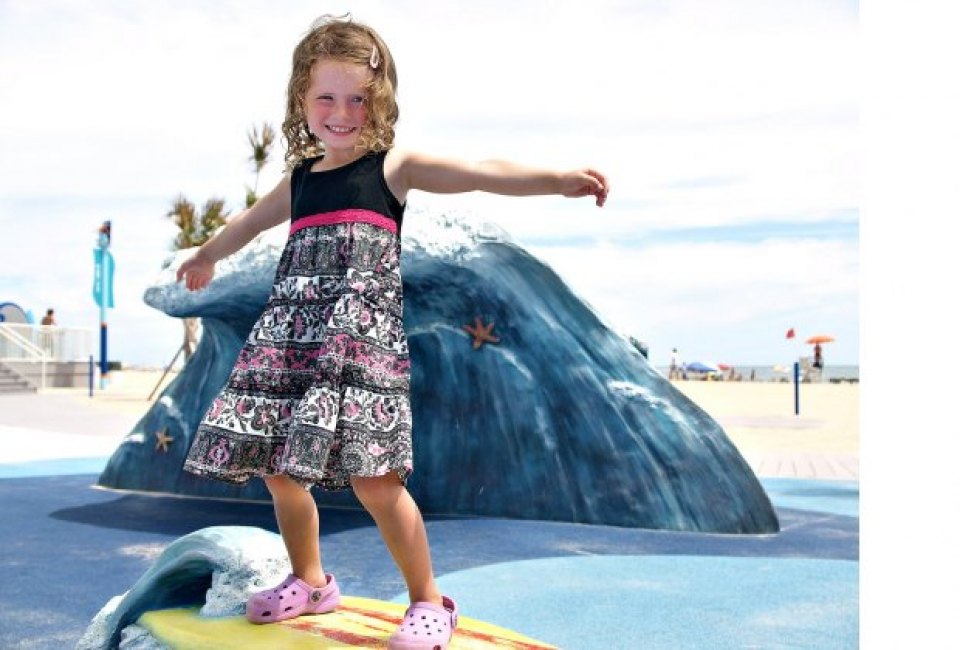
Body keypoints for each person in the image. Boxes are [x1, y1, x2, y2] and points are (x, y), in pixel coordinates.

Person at [176, 15, 608, 650]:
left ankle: (430, 602)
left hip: (358, 342)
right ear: (302, 99)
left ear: (380, 99)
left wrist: (554, 180)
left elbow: (482, 169)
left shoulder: (392, 168)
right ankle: (312, 581)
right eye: (326, 96)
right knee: (277, 468)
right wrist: (207, 254)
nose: (342, 111)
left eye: (358, 97)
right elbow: (247, 222)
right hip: (292, 337)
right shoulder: (299, 179)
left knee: (375, 479)